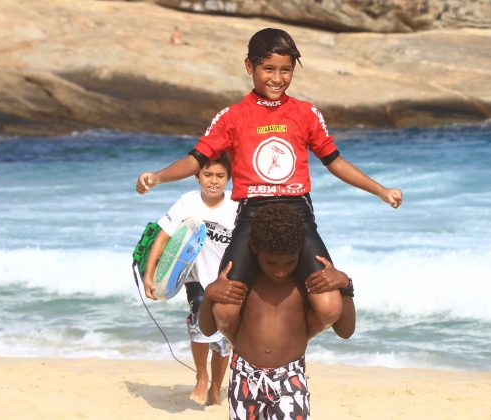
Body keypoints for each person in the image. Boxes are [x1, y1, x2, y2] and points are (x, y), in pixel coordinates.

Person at [136, 27, 402, 336]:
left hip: (297, 216)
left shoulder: (306, 113)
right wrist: (158, 176)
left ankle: (289, 345)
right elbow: (195, 159)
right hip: (252, 216)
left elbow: (335, 162)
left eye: (286, 70)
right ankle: (248, 349)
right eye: (268, 69)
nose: (277, 78)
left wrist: (380, 191)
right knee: (223, 312)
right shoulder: (231, 117)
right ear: (250, 67)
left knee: (330, 309)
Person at [199, 203, 356, 419]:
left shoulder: (304, 286)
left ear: (300, 253)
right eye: (270, 262)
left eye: (289, 263)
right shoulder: (245, 285)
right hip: (245, 375)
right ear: (255, 250)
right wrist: (209, 294)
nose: (280, 271)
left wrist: (346, 284)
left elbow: (346, 331)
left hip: (290, 376)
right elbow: (207, 330)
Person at [143, 152, 237, 405]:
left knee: (224, 342)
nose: (214, 181)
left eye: (220, 176)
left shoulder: (237, 205)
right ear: (197, 176)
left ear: (229, 178)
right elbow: (162, 237)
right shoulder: (188, 201)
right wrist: (149, 276)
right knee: (199, 327)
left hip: (226, 279)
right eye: (207, 175)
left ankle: (216, 387)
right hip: (196, 278)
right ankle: (202, 377)